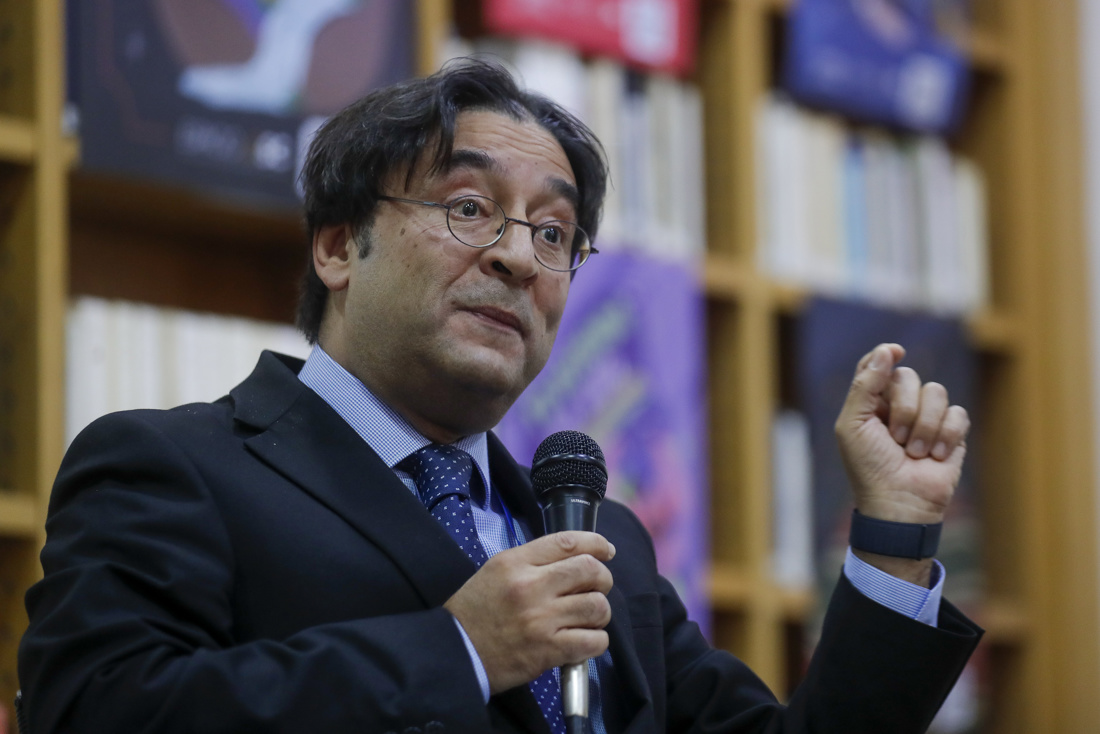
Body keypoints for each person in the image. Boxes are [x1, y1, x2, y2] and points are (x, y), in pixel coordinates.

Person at [18, 59, 980, 734]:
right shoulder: (171, 466)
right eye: (469, 208)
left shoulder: (604, 540)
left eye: (554, 233)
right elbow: (95, 712)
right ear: (339, 246)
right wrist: (461, 648)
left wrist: (893, 538)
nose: (519, 256)